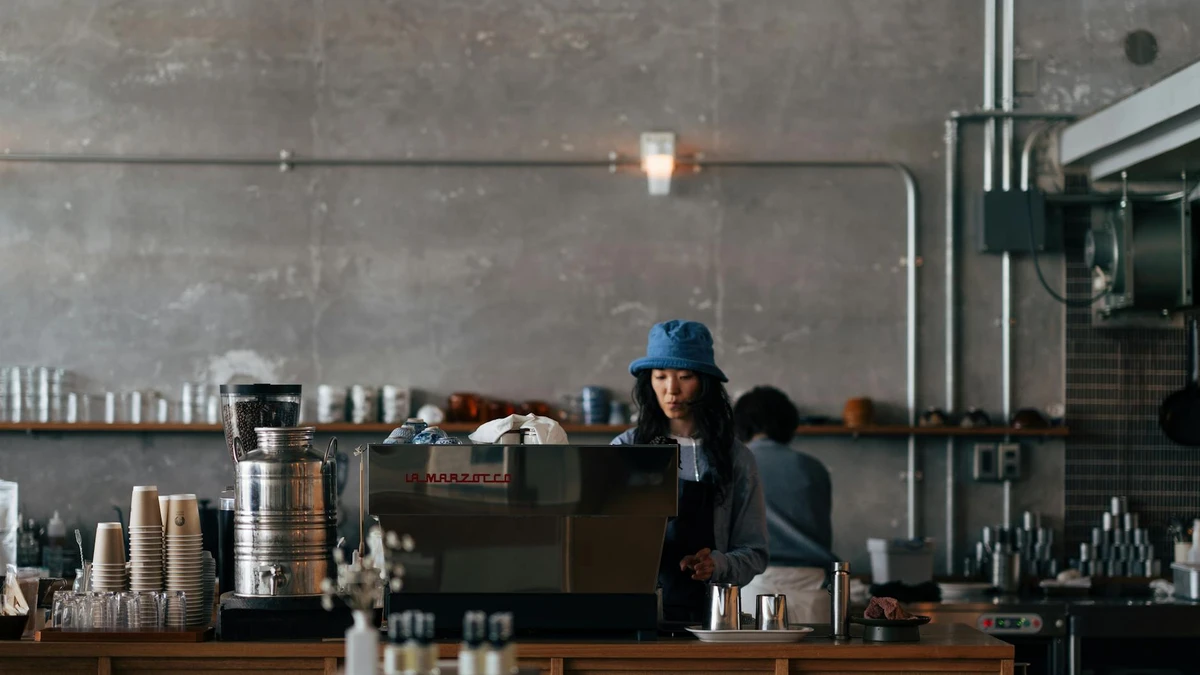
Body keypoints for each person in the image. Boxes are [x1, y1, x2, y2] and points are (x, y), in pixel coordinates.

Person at [612, 319, 768, 624]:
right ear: (649, 382)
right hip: (637, 617)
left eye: (685, 376)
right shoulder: (626, 448)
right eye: (660, 377)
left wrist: (717, 564)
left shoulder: (736, 458)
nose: (672, 390)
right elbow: (603, 542)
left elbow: (755, 552)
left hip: (713, 620)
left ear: (705, 383)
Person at [733, 385, 836, 624]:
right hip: (814, 587)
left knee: (752, 663)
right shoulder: (814, 468)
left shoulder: (736, 464)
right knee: (816, 660)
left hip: (754, 585)